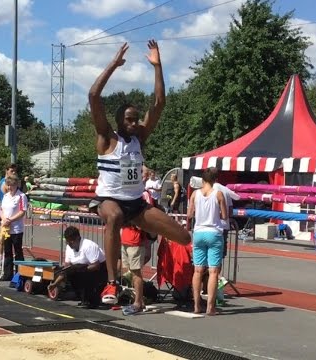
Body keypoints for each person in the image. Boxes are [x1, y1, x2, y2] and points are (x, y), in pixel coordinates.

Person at [88, 39, 191, 304]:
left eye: (136, 119)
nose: (134, 123)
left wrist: (158, 66)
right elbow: (93, 96)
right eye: (129, 120)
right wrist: (114, 64)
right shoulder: (106, 138)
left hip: (136, 204)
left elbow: (159, 103)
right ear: (120, 120)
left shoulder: (139, 138)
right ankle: (111, 284)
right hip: (109, 200)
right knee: (114, 217)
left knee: (184, 236)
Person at [187, 168, 227, 316]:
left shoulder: (195, 194)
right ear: (215, 180)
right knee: (213, 272)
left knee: (197, 270)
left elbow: (190, 214)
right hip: (214, 232)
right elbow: (224, 215)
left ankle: (197, 305)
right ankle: (210, 307)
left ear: (202, 180)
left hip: (198, 232)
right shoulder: (218, 194)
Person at [48, 226, 107, 308]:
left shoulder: (88, 246)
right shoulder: (69, 247)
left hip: (99, 272)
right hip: (82, 271)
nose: (70, 244)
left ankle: (91, 296)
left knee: (78, 268)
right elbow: (66, 269)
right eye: (68, 242)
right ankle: (81, 296)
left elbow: (96, 266)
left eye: (72, 242)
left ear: (78, 238)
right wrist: (55, 284)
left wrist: (80, 269)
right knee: (67, 270)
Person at [0, 175, 28, 280]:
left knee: (18, 251)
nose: (10, 187)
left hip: (16, 229)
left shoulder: (21, 196)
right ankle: (7, 273)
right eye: (8, 185)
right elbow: (1, 209)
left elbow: (22, 212)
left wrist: (10, 220)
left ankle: (20, 273)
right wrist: (3, 219)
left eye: (12, 185)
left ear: (16, 185)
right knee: (7, 251)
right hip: (6, 228)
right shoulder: (6, 196)